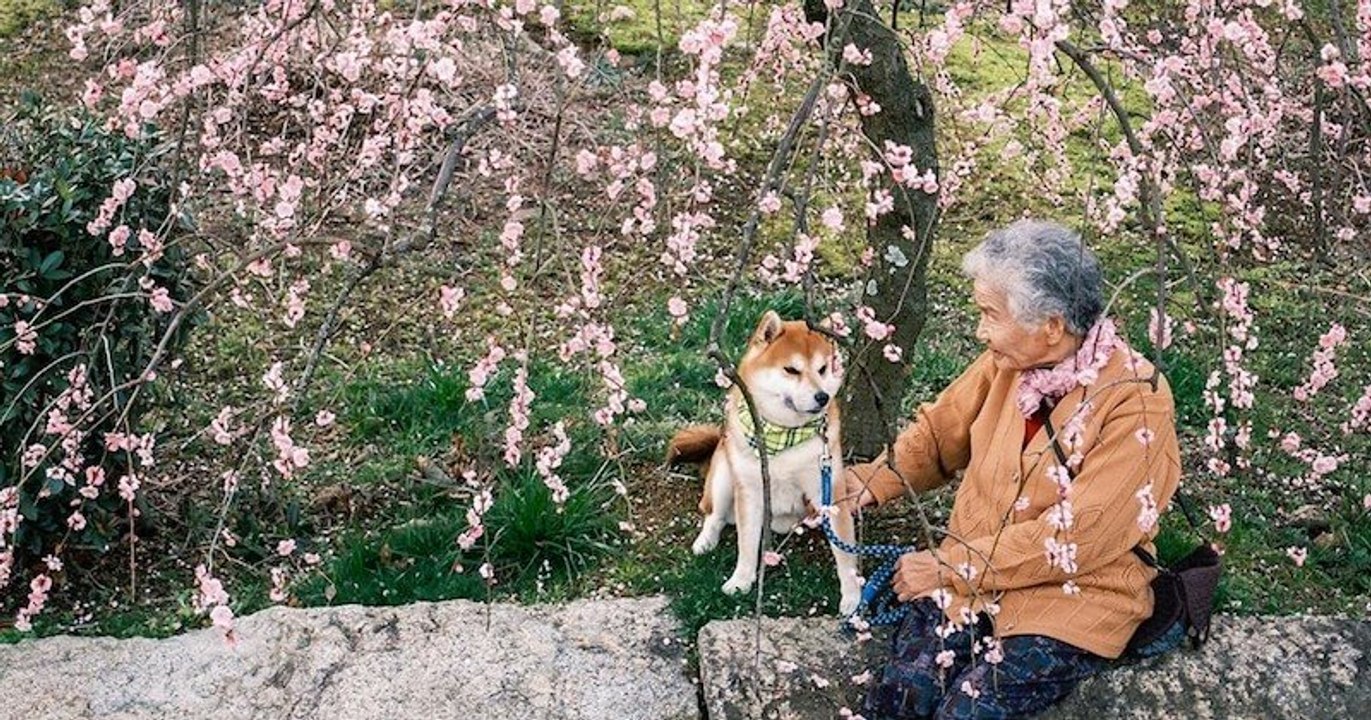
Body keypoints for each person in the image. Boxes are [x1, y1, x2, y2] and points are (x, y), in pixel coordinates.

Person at [844, 219, 1181, 719]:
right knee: (903, 695)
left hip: (1072, 598)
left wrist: (953, 566)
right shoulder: (1004, 362)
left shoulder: (1137, 398)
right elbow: (942, 432)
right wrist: (870, 481)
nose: (980, 331)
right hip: (966, 587)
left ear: (1051, 326)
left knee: (971, 709)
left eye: (989, 314)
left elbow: (1079, 536)